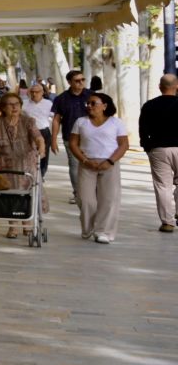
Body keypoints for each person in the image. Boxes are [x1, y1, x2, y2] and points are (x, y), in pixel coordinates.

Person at [0, 91, 47, 237]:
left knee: (27, 194)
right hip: (6, 165)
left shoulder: (28, 121)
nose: (14, 107)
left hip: (27, 164)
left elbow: (38, 137)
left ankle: (27, 223)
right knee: (9, 195)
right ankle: (13, 227)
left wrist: (41, 147)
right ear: (2, 107)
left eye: (17, 104)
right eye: (10, 105)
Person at [68, 91, 128, 244]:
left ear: (104, 106)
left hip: (109, 163)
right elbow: (73, 144)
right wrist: (85, 160)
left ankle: (103, 231)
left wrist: (110, 161)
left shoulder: (116, 123)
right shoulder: (81, 122)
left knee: (109, 199)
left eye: (93, 103)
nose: (89, 106)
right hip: (87, 163)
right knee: (85, 199)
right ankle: (88, 227)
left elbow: (123, 145)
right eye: (88, 103)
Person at [142, 74, 178, 233]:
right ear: (176, 86)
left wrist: (147, 146)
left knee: (163, 186)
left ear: (160, 87)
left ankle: (168, 222)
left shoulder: (149, 105)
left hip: (158, 149)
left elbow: (143, 129)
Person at [50, 69, 90, 205]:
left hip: (91, 138)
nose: (81, 83)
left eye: (82, 80)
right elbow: (56, 120)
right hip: (70, 137)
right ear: (69, 82)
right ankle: (78, 194)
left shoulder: (92, 96)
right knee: (74, 165)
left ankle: (90, 192)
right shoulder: (61, 99)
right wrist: (53, 140)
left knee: (90, 165)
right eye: (77, 81)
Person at [22, 82, 54, 188]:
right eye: (32, 92)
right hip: (28, 132)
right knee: (28, 153)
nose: (34, 94)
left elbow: (54, 118)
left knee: (43, 153)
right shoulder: (25, 104)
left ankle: (41, 174)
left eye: (37, 92)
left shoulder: (48, 104)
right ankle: (29, 173)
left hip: (43, 131)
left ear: (42, 92)